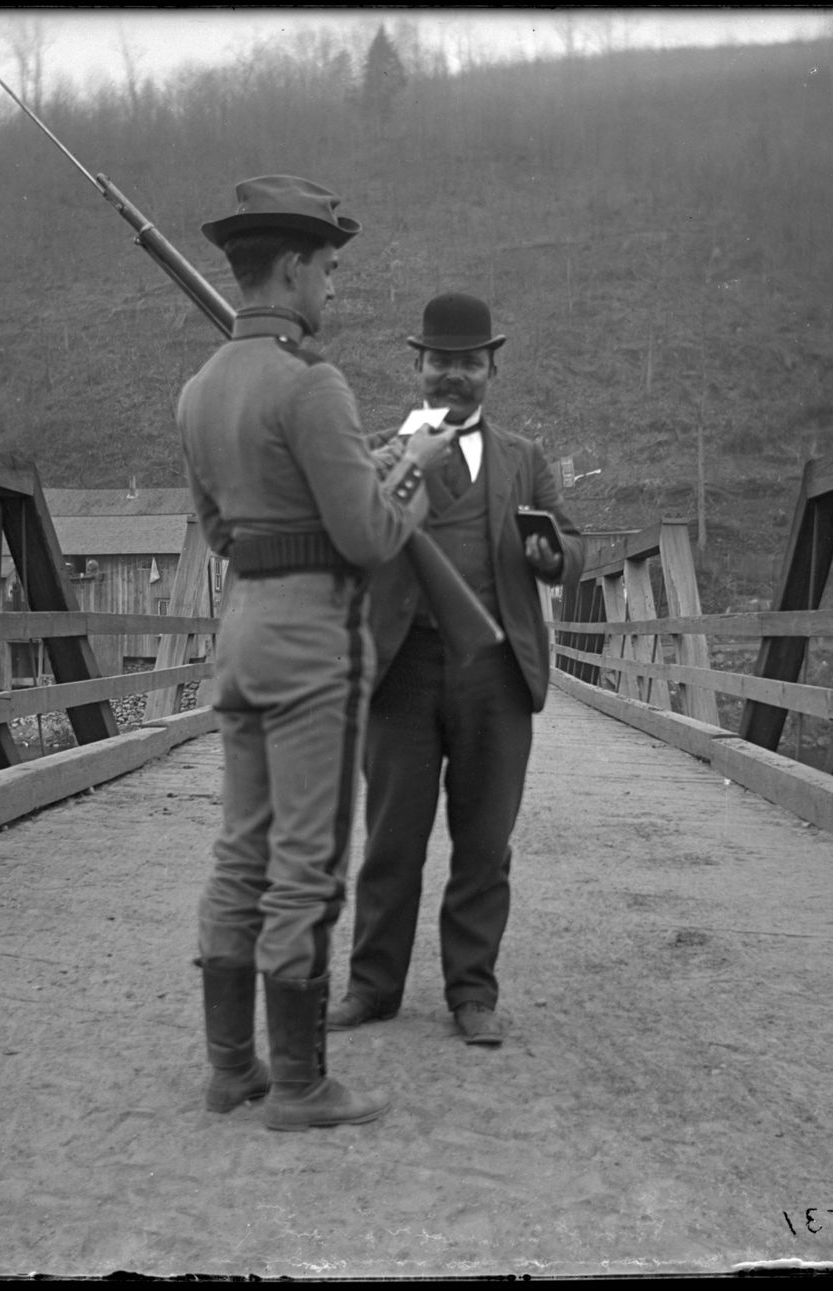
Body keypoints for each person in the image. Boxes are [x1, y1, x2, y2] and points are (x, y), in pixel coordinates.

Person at [176, 176, 456, 1130]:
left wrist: (333, 494)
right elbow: (371, 539)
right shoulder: (311, 382)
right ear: (291, 268)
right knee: (307, 859)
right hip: (309, 642)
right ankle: (299, 1083)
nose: (332, 288)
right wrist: (405, 483)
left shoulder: (199, 389)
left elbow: (218, 527)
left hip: (242, 628)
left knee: (240, 847)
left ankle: (231, 1068)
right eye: (328, 269)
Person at [327, 292, 584, 1046]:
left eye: (469, 362)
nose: (453, 376)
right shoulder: (380, 448)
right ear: (418, 365)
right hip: (402, 669)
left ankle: (472, 993)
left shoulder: (524, 459)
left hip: (496, 673)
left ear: (491, 369)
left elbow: (573, 545)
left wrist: (553, 556)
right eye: (440, 360)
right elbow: (355, 540)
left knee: (484, 842)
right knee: (391, 840)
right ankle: (373, 987)